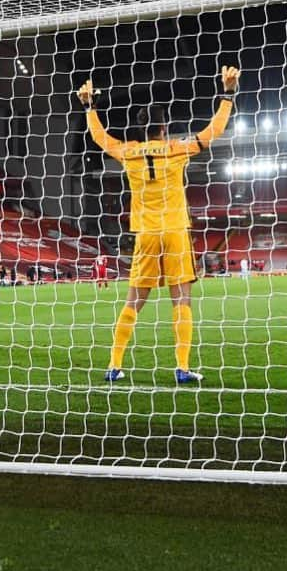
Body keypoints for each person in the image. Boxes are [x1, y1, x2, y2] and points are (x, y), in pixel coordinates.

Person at [78, 65, 239, 385]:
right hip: (176, 232)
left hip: (146, 234)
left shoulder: (130, 152)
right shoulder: (177, 149)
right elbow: (213, 131)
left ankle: (114, 364)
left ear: (141, 130)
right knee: (181, 299)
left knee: (134, 301)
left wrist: (89, 107)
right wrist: (227, 94)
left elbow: (100, 138)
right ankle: (181, 367)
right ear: (164, 128)